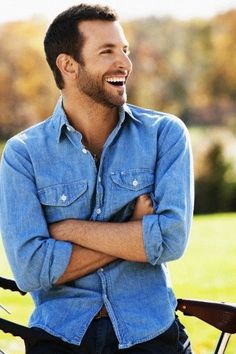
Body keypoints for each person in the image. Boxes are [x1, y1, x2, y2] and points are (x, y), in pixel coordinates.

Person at [0, 3, 194, 353]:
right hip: (61, 336)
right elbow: (30, 270)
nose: (125, 63)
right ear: (68, 65)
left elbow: (170, 241)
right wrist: (133, 236)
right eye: (107, 51)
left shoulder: (165, 134)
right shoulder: (22, 154)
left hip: (151, 333)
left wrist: (69, 230)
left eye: (124, 50)